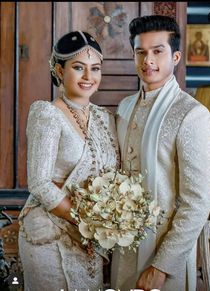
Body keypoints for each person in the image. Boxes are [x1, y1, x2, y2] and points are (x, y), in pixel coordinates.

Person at [111, 15, 210, 291]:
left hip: (162, 255)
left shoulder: (192, 114)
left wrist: (161, 267)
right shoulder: (124, 107)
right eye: (141, 52)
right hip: (122, 249)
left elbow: (197, 203)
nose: (148, 60)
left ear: (176, 56)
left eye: (158, 51)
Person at [18, 31, 120, 291]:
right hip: (50, 234)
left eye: (95, 69)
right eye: (78, 67)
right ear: (59, 71)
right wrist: (85, 221)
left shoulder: (104, 118)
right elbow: (40, 183)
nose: (89, 77)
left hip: (90, 237)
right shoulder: (47, 114)